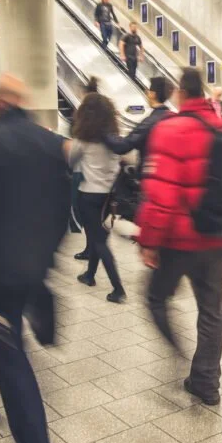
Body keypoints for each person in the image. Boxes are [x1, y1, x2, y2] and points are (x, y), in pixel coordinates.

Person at [0, 73, 68, 443]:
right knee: (12, 340)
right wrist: (45, 258)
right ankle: (38, 321)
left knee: (11, 358)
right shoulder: (50, 142)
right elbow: (64, 211)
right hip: (34, 264)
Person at [138, 68, 222, 406]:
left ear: (179, 93)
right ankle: (206, 381)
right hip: (217, 238)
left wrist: (149, 240)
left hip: (177, 239)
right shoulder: (221, 127)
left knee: (155, 297)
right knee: (212, 309)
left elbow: (160, 193)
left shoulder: (170, 129)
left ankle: (176, 352)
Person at [70, 93, 126, 303]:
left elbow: (71, 160)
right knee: (98, 236)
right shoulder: (115, 139)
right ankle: (89, 275)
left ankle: (118, 289)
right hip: (110, 197)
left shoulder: (83, 140)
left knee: (100, 242)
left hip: (89, 194)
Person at [104, 75, 173, 169]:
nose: (147, 93)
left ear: (153, 94)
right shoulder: (170, 116)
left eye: (148, 91)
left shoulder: (150, 122)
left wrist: (103, 130)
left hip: (150, 173)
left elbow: (122, 146)